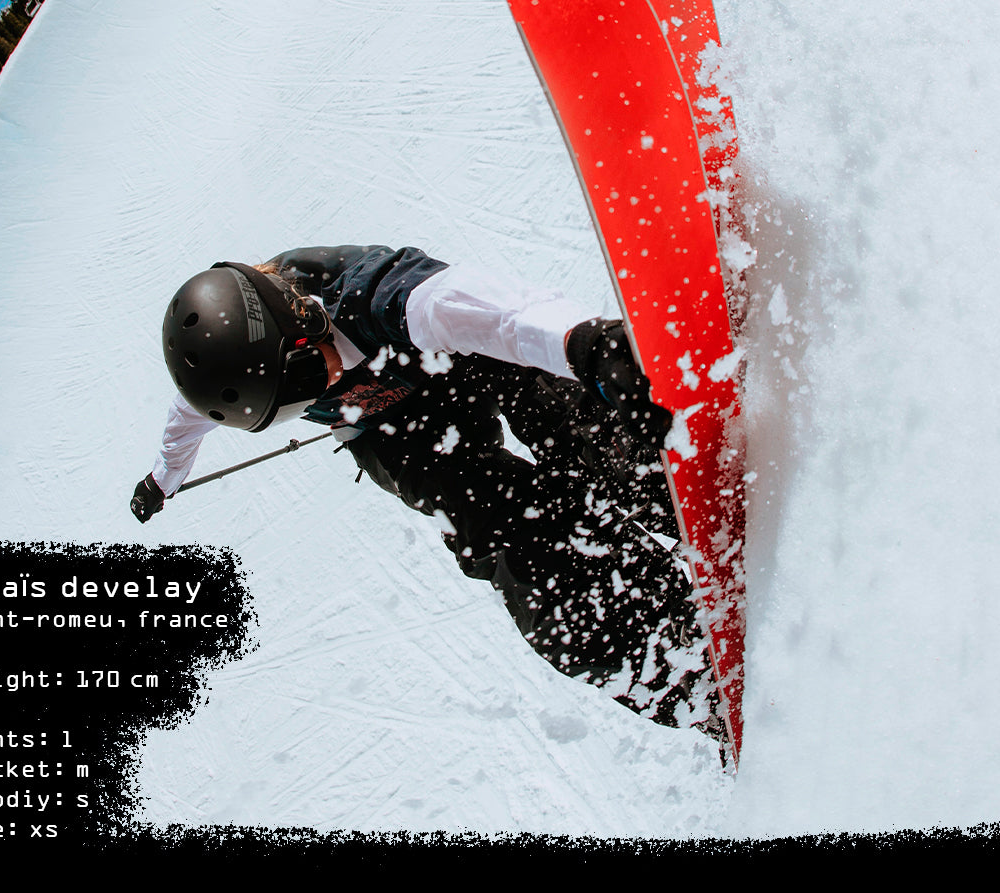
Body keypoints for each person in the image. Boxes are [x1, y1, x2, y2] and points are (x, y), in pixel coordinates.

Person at [132, 244, 727, 744]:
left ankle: (670, 482)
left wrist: (587, 346)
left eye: (307, 378)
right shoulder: (236, 375)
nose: (320, 389)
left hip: (461, 354)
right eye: (289, 409)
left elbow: (494, 312)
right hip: (393, 428)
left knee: (563, 413)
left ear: (302, 320)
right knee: (509, 540)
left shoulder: (376, 296)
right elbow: (183, 428)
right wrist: (161, 483)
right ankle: (683, 666)